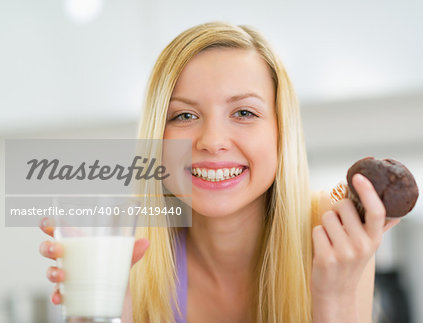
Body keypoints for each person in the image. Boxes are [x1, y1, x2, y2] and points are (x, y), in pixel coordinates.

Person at [39, 22, 401, 322]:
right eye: (184, 116)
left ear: (281, 131)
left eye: (244, 113)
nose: (212, 141)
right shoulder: (126, 247)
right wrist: (100, 316)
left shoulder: (328, 232)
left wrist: (334, 302)